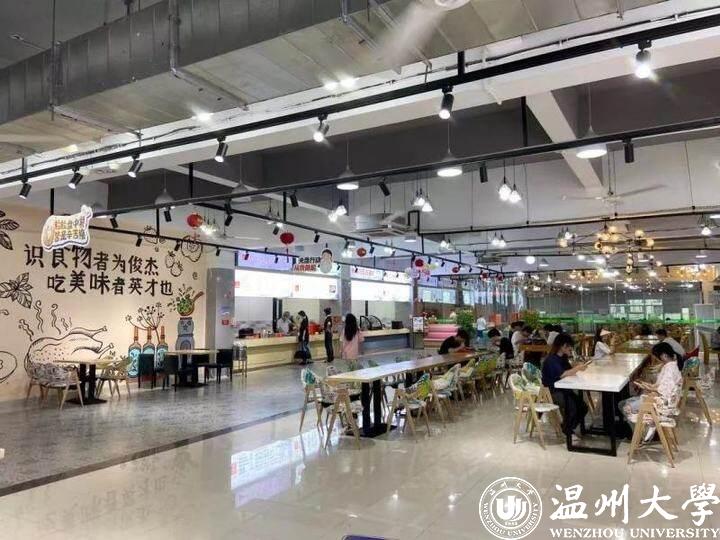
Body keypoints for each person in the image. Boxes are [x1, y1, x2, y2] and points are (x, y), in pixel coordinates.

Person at [619, 342, 682, 442]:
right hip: (661, 400)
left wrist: (649, 388)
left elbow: (664, 391)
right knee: (625, 403)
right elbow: (661, 386)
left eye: (657, 358)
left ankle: (640, 434)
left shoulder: (669, 368)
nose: (657, 360)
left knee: (625, 406)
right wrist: (647, 385)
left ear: (664, 356)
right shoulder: (671, 366)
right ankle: (641, 431)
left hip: (660, 403)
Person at [541, 333, 589, 444]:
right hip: (553, 391)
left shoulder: (562, 358)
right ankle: (568, 431)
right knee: (572, 407)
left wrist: (576, 366)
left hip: (564, 389)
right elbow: (563, 374)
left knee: (583, 407)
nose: (571, 349)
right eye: (569, 346)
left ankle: (567, 427)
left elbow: (568, 371)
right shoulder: (551, 360)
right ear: (562, 346)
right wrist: (578, 368)